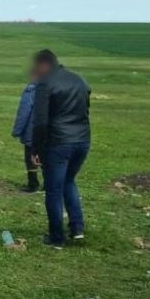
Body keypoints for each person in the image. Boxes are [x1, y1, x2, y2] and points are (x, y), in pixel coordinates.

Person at [31, 50, 91, 249]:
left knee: (54, 190)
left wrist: (36, 149)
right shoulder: (79, 80)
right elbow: (86, 109)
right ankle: (77, 229)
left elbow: (40, 122)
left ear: (43, 65)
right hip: (82, 141)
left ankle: (56, 238)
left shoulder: (45, 84)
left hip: (58, 143)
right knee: (69, 182)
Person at [12, 69, 40, 192]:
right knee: (46, 156)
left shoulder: (31, 90)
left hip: (33, 130)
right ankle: (50, 183)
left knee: (30, 156)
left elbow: (24, 111)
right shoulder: (54, 89)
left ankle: (33, 184)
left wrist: (17, 130)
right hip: (52, 131)